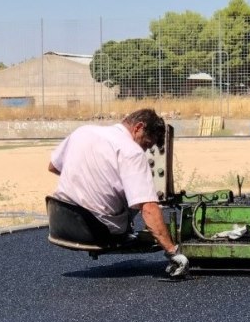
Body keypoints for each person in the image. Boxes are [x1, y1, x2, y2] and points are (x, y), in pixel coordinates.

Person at [48, 108, 189, 277]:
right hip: (98, 231)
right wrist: (172, 252)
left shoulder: (82, 132)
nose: (144, 150)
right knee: (139, 196)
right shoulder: (132, 152)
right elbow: (149, 208)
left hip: (61, 221)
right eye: (146, 144)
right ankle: (126, 233)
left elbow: (53, 167)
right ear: (138, 127)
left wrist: (89, 178)